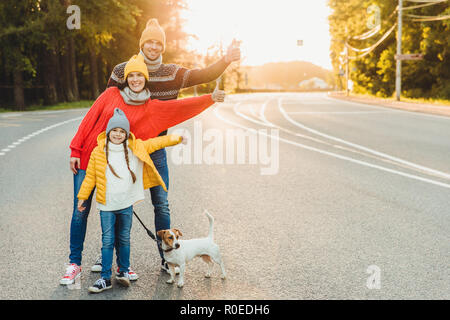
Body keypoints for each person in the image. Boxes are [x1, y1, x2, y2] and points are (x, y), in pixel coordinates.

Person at [60, 54, 225, 285]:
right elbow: (89, 120)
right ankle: (74, 264)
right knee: (80, 211)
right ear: (126, 78)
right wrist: (75, 150)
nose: (136, 79)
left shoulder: (151, 108)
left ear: (146, 79)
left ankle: (120, 265)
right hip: (88, 159)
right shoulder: (110, 95)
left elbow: (180, 108)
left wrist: (210, 98)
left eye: (140, 75)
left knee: (116, 214)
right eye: (132, 75)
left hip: (114, 170)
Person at [102, 18, 240, 275]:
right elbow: (106, 108)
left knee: (161, 204)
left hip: (156, 150)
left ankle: (167, 259)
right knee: (116, 204)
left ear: (162, 46)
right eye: (149, 42)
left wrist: (226, 60)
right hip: (126, 151)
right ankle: (109, 257)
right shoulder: (122, 71)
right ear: (142, 43)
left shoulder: (172, 73)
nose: (153, 47)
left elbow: (204, 74)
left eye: (158, 43)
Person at [77, 108, 184, 293]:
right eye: (114, 131)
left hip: (126, 205)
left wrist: (177, 138)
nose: (118, 134)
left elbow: (157, 142)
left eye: (122, 131)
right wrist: (82, 198)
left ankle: (124, 271)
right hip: (106, 206)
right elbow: (90, 178)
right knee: (108, 241)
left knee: (125, 240)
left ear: (126, 134)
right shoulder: (98, 152)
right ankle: (104, 278)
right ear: (108, 132)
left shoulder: (135, 147)